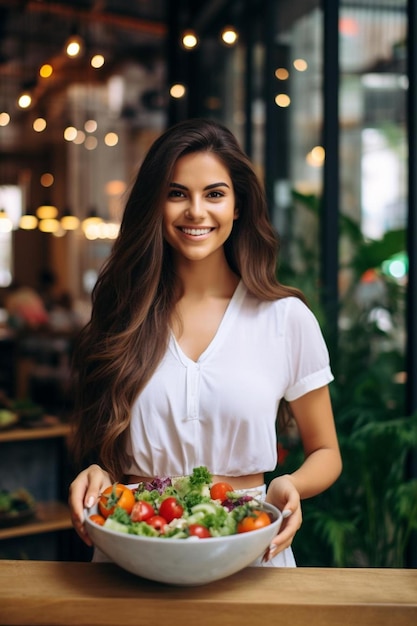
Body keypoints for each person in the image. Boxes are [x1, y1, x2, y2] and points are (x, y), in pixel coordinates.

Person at [68, 118, 342, 567]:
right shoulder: (123, 314)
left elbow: (326, 452)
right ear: (155, 205)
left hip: (248, 546)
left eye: (214, 194)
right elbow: (107, 451)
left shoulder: (285, 318)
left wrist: (290, 485)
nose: (196, 211)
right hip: (135, 544)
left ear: (238, 206)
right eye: (177, 193)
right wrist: (99, 474)